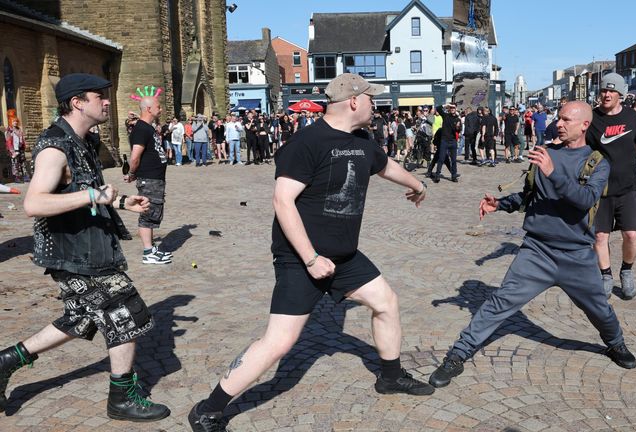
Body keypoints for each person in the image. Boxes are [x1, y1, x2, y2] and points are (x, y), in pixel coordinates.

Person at [188, 73, 434, 432]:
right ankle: (208, 410)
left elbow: (383, 165)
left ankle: (391, 376)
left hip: (345, 256)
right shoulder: (306, 143)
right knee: (279, 342)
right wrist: (310, 258)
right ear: (353, 101)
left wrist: (417, 184)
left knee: (386, 302)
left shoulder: (362, 141)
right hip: (301, 259)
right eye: (370, 98)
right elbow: (282, 201)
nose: (374, 105)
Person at [428, 101, 636, 389]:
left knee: (599, 309)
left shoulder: (597, 162)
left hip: (576, 255)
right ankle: (457, 355)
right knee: (500, 302)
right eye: (558, 118)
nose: (559, 124)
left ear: (584, 125)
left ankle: (616, 344)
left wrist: (554, 173)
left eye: (566, 120)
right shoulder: (545, 154)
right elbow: (529, 197)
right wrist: (500, 204)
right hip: (537, 251)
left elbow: (584, 200)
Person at [1, 73, 169, 422]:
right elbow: (34, 203)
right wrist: (93, 195)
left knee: (80, 318)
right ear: (77, 102)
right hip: (73, 253)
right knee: (128, 315)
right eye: (99, 96)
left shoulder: (84, 140)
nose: (107, 101)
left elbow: (87, 190)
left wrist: (121, 202)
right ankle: (121, 397)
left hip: (90, 246)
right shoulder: (54, 147)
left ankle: (6, 360)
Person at [586, 73, 636, 300]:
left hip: (629, 185)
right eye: (604, 90)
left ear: (621, 95)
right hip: (600, 188)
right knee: (600, 237)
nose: (606, 94)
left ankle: (626, 270)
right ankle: (605, 275)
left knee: (632, 234)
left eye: (611, 91)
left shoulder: (631, 117)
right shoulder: (591, 117)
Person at [124, 94, 173, 264]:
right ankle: (148, 252)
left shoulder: (147, 127)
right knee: (148, 212)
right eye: (158, 106)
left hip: (156, 178)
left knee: (154, 211)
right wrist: (131, 173)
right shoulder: (141, 129)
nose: (161, 109)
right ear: (149, 108)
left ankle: (151, 249)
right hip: (149, 178)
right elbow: (135, 156)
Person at [433, 103, 461, 182]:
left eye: (454, 108)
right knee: (441, 159)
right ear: (449, 109)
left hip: (453, 142)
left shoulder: (458, 119)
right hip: (444, 141)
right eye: (451, 108)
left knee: (454, 160)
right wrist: (447, 104)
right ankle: (437, 175)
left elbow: (458, 131)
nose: (452, 109)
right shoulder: (445, 116)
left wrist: (458, 127)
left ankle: (454, 176)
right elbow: (438, 108)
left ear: (456, 109)